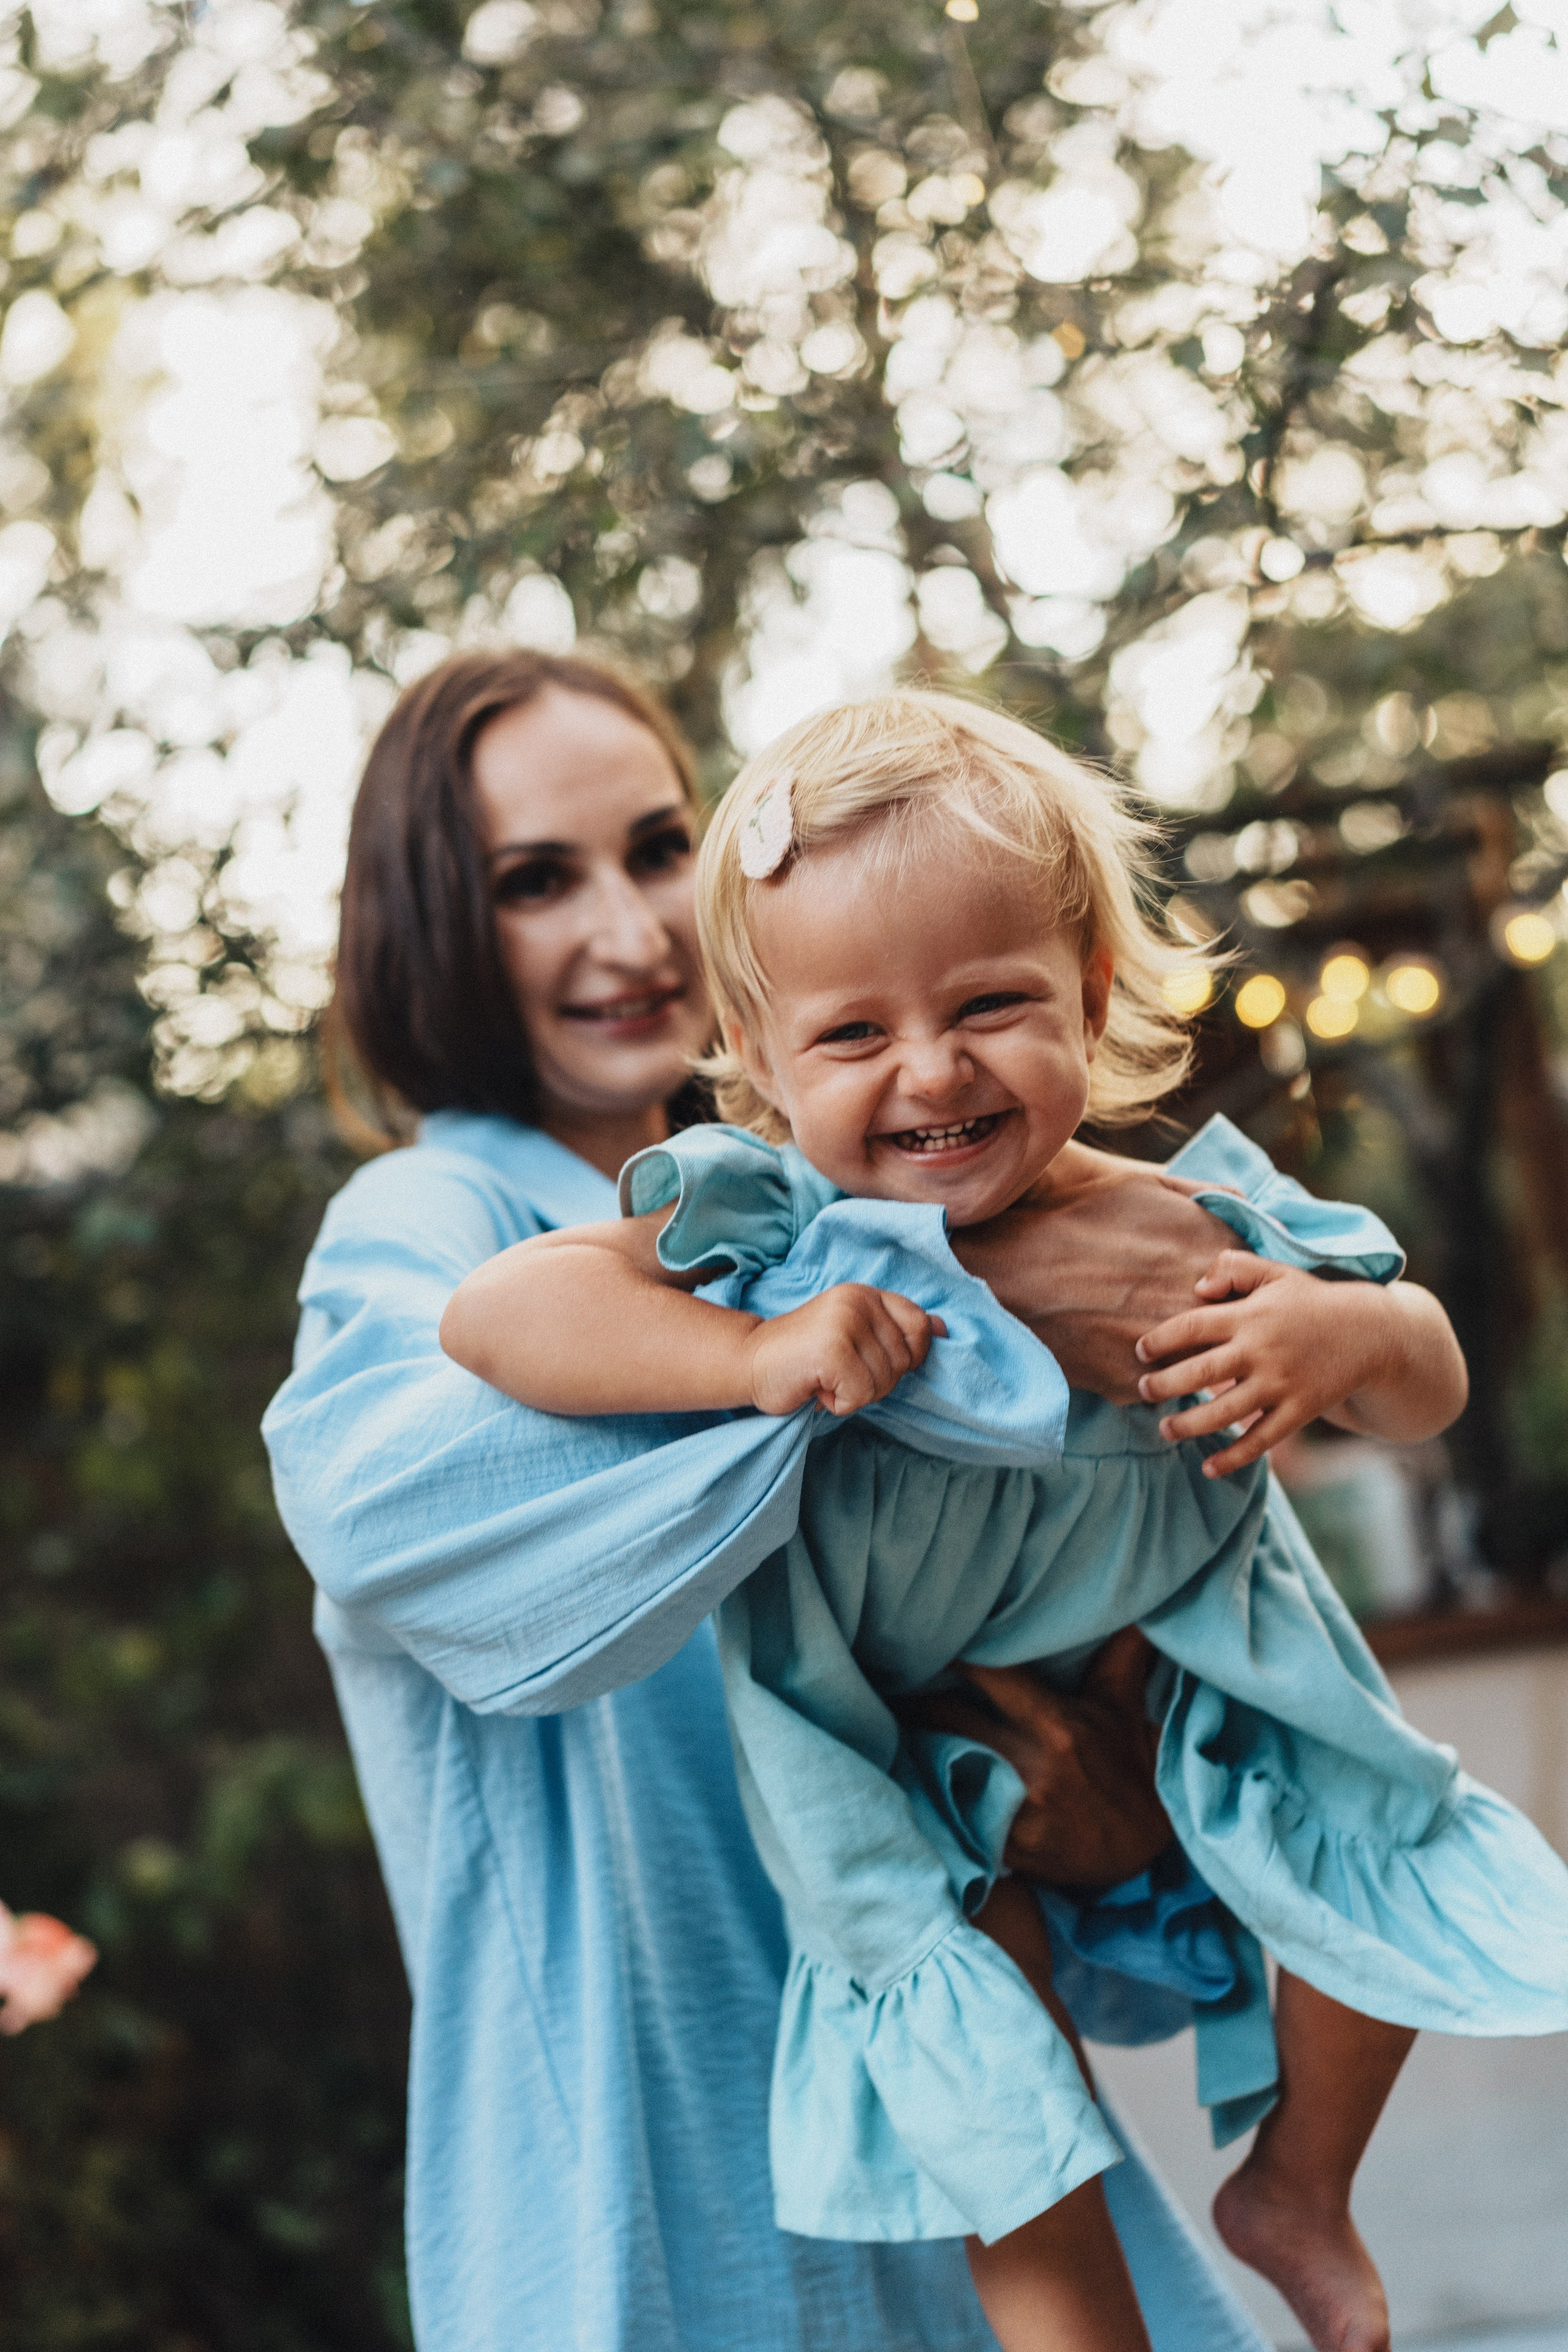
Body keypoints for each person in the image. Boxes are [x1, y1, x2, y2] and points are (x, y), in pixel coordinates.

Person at [440, 690, 1568, 2352]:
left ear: (1090, 998)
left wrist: (1328, 1335)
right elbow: (497, 1316)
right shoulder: (770, 1237)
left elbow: (1430, 1374)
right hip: (897, 1757)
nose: (932, 1069)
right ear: (755, 1061)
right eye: (851, 1037)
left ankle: (1298, 2186)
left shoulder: (1189, 1219)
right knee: (982, 2081)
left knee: (1384, 1839)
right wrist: (746, 1352)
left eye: (990, 1003)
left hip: (1205, 1680)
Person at [264, 650, 1278, 2352]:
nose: (635, 927)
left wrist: (1109, 1832)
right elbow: (387, 1509)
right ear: (434, 927)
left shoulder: (874, 1183)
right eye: (537, 881)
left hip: (970, 2191)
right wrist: (959, 1316)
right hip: (660, 2208)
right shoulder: (423, 1220)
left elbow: (1073, 1846)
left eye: (662, 847)